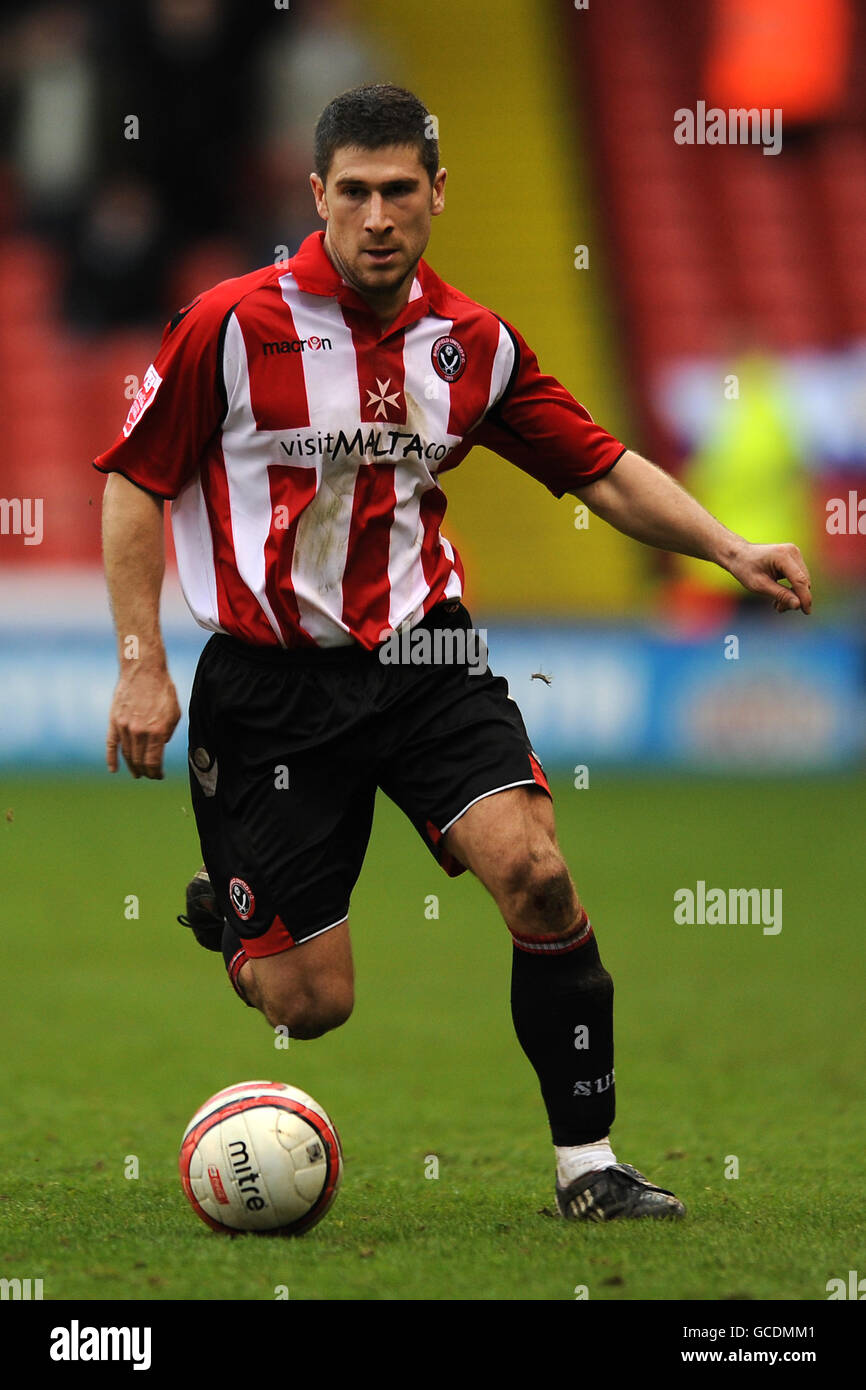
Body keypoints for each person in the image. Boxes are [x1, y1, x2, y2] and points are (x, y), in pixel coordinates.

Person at [96, 84, 812, 1224]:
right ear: (315, 195)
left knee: (535, 873)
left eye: (399, 191)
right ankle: (235, 923)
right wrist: (142, 660)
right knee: (309, 1002)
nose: (378, 215)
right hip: (269, 686)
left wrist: (727, 546)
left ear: (436, 194)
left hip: (426, 658)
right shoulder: (229, 327)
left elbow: (601, 468)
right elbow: (136, 487)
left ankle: (589, 1166)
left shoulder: (470, 347)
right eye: (354, 192)